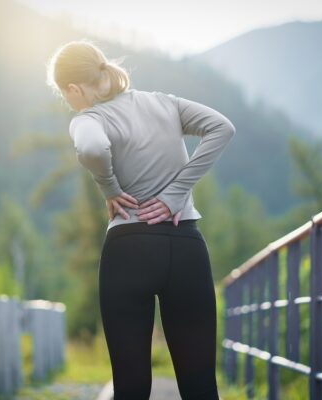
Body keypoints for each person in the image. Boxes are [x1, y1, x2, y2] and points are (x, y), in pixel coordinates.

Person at [46, 38, 236, 400]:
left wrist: (109, 187)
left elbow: (91, 147)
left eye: (65, 95)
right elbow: (222, 128)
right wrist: (176, 193)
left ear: (73, 88)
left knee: (131, 387)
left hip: (128, 250)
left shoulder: (89, 118)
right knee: (200, 386)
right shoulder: (164, 103)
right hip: (185, 246)